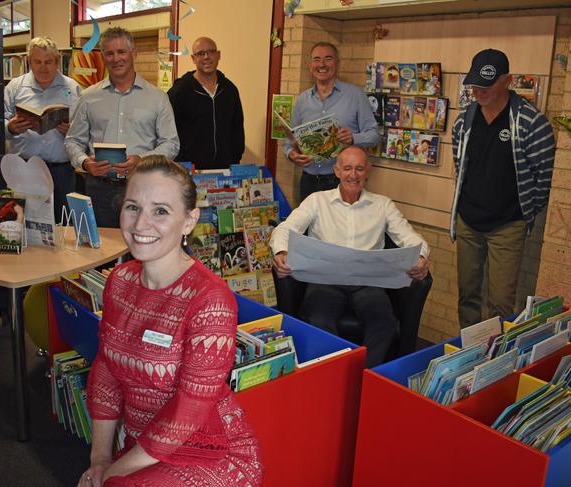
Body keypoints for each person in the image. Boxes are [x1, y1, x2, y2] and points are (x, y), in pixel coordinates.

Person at [77, 156, 262, 487]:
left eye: (160, 211)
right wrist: (101, 458)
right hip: (144, 445)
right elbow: (106, 369)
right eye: (133, 207)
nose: (140, 224)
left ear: (189, 220)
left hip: (210, 450)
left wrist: (112, 473)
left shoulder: (210, 299)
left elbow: (190, 409)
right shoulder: (119, 280)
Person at [270, 146, 430, 367]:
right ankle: (335, 373)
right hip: (325, 281)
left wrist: (421, 257)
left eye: (359, 169)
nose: (353, 175)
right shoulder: (317, 201)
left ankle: (365, 375)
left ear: (368, 171)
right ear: (336, 171)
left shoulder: (383, 205)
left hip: (369, 284)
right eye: (347, 168)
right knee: (319, 321)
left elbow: (412, 238)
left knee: (384, 325)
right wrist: (281, 252)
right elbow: (284, 230)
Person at [451, 49, 555, 328]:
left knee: (501, 302)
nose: (478, 91)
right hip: (468, 222)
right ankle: (466, 355)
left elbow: (543, 181)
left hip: (508, 226)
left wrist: (521, 216)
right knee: (467, 295)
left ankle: (494, 363)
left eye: (486, 85)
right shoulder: (464, 121)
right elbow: (460, 169)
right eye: (474, 85)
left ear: (507, 80)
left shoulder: (532, 122)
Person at [65, 27, 179, 228]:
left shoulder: (157, 98)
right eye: (109, 53)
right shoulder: (88, 97)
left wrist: (142, 161)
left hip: (144, 186)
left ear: (133, 54)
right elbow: (73, 140)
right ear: (103, 57)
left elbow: (171, 143)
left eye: (121, 52)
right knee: (103, 251)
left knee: (142, 250)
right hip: (99, 190)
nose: (116, 58)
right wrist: (84, 163)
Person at [284, 42, 379, 201]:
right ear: (310, 65)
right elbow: (289, 141)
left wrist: (353, 138)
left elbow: (374, 135)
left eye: (328, 59)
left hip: (343, 181)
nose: (321, 64)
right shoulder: (302, 100)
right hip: (309, 180)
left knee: (342, 226)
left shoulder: (355, 96)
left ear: (337, 64)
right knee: (309, 226)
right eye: (316, 59)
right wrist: (292, 154)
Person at [4, 36, 82, 222]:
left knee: (63, 226)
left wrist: (73, 130)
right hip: (24, 169)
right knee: (23, 224)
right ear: (29, 61)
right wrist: (11, 128)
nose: (43, 67)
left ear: (57, 61)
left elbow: (85, 127)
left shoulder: (72, 87)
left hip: (61, 171)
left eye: (48, 62)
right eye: (37, 62)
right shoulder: (15, 87)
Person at [167, 36, 245, 169]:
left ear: (218, 55)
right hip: (189, 171)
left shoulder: (230, 90)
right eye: (200, 53)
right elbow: (168, 131)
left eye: (211, 52)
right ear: (193, 58)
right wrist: (180, 162)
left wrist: (234, 159)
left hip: (224, 170)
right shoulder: (180, 91)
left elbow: (237, 129)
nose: (206, 57)